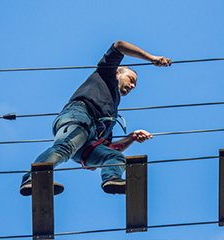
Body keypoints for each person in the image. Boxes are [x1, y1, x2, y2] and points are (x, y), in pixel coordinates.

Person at [20, 40, 171, 196]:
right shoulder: (106, 74)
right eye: (131, 80)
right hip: (79, 116)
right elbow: (119, 45)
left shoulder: (111, 112)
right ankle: (32, 178)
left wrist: (131, 137)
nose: (133, 86)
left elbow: (109, 148)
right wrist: (152, 58)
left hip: (87, 143)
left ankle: (112, 179)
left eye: (135, 85)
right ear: (118, 73)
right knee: (64, 148)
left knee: (115, 157)